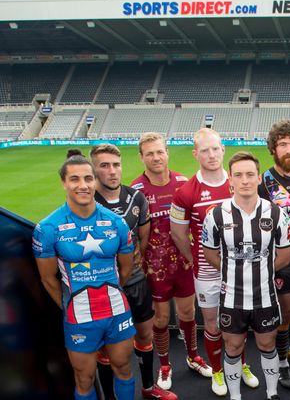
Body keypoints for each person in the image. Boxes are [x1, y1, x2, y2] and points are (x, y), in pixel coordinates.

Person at [33, 149, 136, 400]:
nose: (83, 185)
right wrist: (71, 306)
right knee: (84, 378)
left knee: (123, 368)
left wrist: (110, 291)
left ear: (95, 181)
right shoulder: (48, 228)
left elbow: (126, 268)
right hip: (78, 317)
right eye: (75, 179)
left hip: (116, 310)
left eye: (88, 179)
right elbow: (48, 279)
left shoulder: (116, 222)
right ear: (64, 183)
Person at [170, 129, 259, 396]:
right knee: (212, 324)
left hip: (240, 268)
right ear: (196, 153)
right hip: (207, 272)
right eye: (204, 150)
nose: (211, 155)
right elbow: (178, 233)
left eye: (215, 149)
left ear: (223, 149)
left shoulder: (238, 181)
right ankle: (218, 371)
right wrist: (196, 260)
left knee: (240, 322)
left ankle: (242, 365)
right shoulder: (186, 192)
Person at [201, 152, 290, 400]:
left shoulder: (276, 213)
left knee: (267, 345)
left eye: (250, 174)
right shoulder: (215, 215)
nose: (245, 180)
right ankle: (235, 395)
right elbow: (210, 255)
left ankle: (272, 393)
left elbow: (284, 256)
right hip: (231, 298)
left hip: (265, 296)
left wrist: (259, 271)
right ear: (230, 179)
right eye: (239, 175)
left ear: (258, 178)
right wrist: (235, 270)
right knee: (232, 347)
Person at [90, 143, 177, 400]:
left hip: (136, 279)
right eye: (104, 166)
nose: (112, 171)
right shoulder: (86, 202)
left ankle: (149, 387)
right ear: (94, 169)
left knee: (144, 333)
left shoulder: (136, 199)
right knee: (107, 347)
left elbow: (143, 239)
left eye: (116, 165)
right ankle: (109, 395)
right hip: (103, 286)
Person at [131, 132, 212, 390]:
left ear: (167, 153)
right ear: (142, 157)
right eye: (150, 153)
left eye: (160, 151)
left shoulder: (182, 183)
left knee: (188, 313)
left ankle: (193, 356)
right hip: (155, 268)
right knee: (161, 319)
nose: (156, 157)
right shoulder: (136, 191)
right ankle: (164, 365)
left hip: (184, 263)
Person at [257, 119, 290, 389]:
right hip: (277, 259)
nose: (288, 149)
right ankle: (281, 362)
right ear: (273, 148)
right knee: (284, 311)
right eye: (282, 144)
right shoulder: (264, 182)